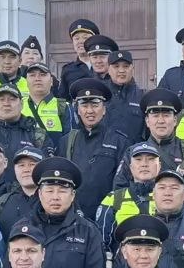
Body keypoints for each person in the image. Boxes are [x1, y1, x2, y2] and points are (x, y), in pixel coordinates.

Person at [52, 77, 128, 219]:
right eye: (84, 106)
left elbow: (122, 184)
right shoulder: (67, 141)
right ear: (78, 110)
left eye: (95, 105)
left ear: (104, 109)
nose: (90, 111)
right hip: (72, 217)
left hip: (106, 216)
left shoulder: (119, 142)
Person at [114, 88, 184, 188]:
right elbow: (119, 189)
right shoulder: (132, 153)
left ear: (175, 120)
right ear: (147, 121)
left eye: (166, 115)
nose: (161, 121)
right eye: (155, 116)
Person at [96, 143, 161, 268]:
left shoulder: (169, 197)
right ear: (130, 167)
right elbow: (102, 243)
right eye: (138, 160)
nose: (144, 164)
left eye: (150, 159)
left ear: (159, 166)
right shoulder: (114, 198)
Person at [0, 147, 44, 237]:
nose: (26, 169)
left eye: (32, 164)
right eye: (21, 165)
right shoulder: (4, 202)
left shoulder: (54, 201)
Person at [105, 49, 145, 141]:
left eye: (126, 66)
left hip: (133, 148)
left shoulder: (143, 97)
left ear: (132, 69)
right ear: (108, 69)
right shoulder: (101, 95)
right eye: (116, 66)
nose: (121, 70)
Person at [24, 63, 70, 138]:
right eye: (32, 75)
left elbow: (71, 140)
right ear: (26, 81)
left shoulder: (63, 106)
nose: (37, 79)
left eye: (42, 75)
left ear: (51, 81)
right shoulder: (18, 105)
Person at [60, 18, 99, 95]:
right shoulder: (68, 70)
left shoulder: (106, 66)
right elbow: (62, 98)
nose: (80, 41)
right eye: (77, 38)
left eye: (85, 38)